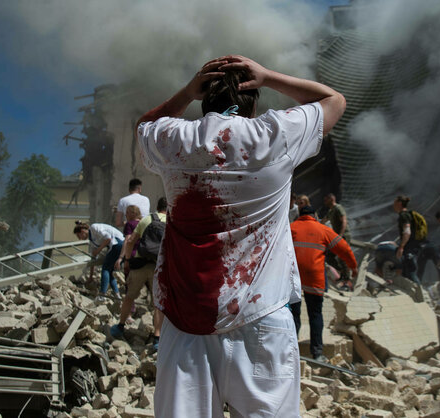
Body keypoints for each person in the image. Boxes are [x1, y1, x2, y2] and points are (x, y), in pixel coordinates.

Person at [135, 55, 346, 417]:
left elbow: (145, 124)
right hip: (262, 320)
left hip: (186, 323)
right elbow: (334, 101)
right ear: (253, 100)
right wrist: (267, 76)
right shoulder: (274, 134)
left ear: (204, 98)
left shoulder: (175, 139)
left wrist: (186, 91)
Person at [289, 205, 357, 361]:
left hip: (293, 278)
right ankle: (317, 353)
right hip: (314, 278)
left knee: (294, 313)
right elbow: (344, 249)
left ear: (300, 215)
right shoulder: (322, 230)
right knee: (315, 314)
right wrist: (353, 267)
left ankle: (290, 350)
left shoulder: (291, 227)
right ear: (315, 216)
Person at [111, 197, 168, 349]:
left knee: (129, 297)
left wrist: (128, 261)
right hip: (159, 268)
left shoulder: (147, 219)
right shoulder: (172, 222)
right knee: (157, 304)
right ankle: (157, 337)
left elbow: (130, 241)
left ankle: (120, 326)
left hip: (140, 264)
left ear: (157, 206)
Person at [73, 221, 124, 301]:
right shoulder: (92, 241)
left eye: (79, 236)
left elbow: (108, 238)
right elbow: (93, 259)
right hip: (115, 246)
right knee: (109, 271)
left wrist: (98, 250)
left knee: (105, 269)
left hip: (118, 243)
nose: (80, 239)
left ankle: (102, 295)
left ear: (82, 231)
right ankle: (117, 295)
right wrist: (90, 276)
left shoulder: (94, 228)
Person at [322, 193, 352, 287]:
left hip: (343, 236)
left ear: (331, 199)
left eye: (326, 200)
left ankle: (347, 280)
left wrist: (341, 235)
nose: (325, 202)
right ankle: (343, 273)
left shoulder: (338, 208)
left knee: (342, 257)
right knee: (329, 256)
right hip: (336, 237)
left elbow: (344, 220)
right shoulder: (331, 211)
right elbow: (323, 221)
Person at [393, 195, 424, 285]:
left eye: (394, 203)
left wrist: (401, 247)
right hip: (413, 246)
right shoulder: (409, 214)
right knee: (406, 272)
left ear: (399, 203)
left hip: (410, 248)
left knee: (411, 273)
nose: (393, 205)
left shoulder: (404, 216)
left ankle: (421, 295)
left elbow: (407, 232)